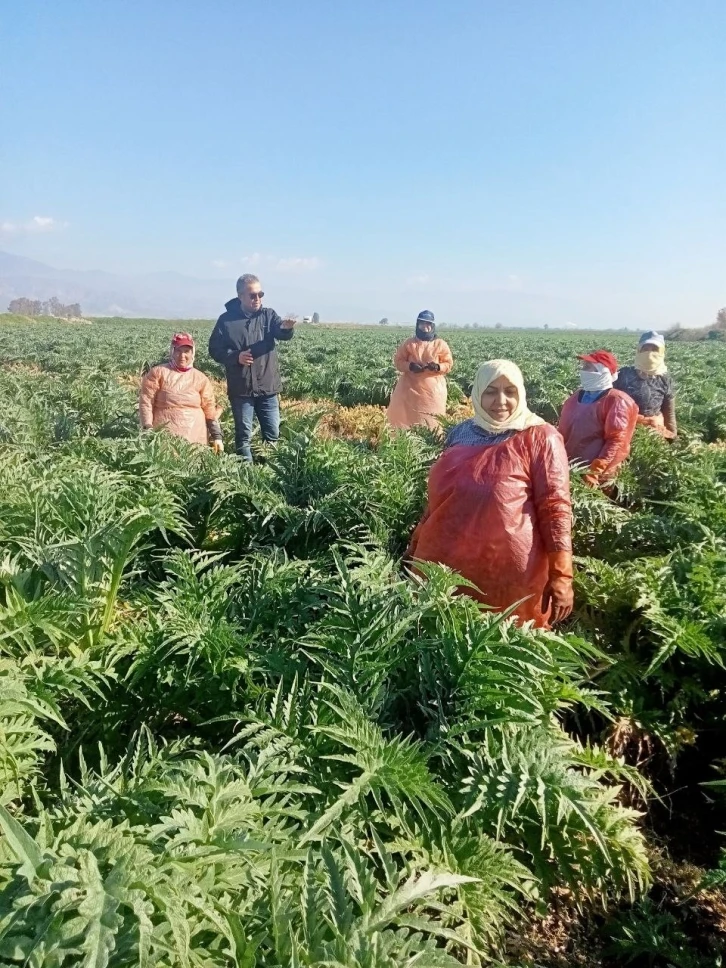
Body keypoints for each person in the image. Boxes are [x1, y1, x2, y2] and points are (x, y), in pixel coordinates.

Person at [406, 360, 573, 629]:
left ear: (521, 393)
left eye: (510, 391)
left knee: (498, 648)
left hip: (504, 573)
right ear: (477, 392)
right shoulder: (461, 433)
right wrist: (416, 542)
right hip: (442, 564)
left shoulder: (540, 437)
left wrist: (562, 574)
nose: (501, 401)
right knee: (438, 636)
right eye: (491, 391)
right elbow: (439, 498)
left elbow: (555, 507)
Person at [208, 274, 295, 461]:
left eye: (260, 294)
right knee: (243, 437)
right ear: (240, 296)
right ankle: (247, 479)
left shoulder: (268, 315)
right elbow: (214, 349)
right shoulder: (226, 321)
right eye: (252, 295)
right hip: (241, 389)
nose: (258, 299)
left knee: (272, 436)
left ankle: (269, 474)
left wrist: (287, 329)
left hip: (268, 388)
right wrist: (235, 356)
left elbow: (280, 331)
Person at [558, 350, 638, 487]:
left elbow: (616, 441)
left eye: (589, 368)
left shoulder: (616, 401)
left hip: (596, 475)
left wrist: (596, 471)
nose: (584, 371)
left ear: (604, 372)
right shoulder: (576, 397)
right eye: (584, 367)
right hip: (571, 467)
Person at [139, 332, 223, 451]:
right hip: (165, 433)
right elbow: (146, 402)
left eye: (186, 351)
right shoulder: (158, 372)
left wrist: (217, 436)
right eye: (178, 351)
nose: (182, 356)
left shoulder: (200, 378)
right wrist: (147, 427)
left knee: (192, 463)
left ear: (192, 353)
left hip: (195, 435)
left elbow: (209, 409)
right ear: (172, 352)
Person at [386, 311, 454, 430]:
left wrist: (437, 367)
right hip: (409, 388)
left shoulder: (440, 344)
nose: (425, 327)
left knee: (432, 419)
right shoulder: (409, 344)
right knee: (406, 417)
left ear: (432, 326)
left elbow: (448, 364)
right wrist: (410, 366)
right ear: (417, 325)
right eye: (422, 324)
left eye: (428, 324)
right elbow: (398, 361)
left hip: (432, 391)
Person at [614, 331, 677, 439]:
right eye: (645, 349)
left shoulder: (665, 379)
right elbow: (608, 404)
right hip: (624, 429)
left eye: (654, 349)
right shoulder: (623, 374)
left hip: (654, 432)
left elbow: (669, 412)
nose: (649, 353)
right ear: (639, 350)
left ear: (661, 352)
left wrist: (672, 435)